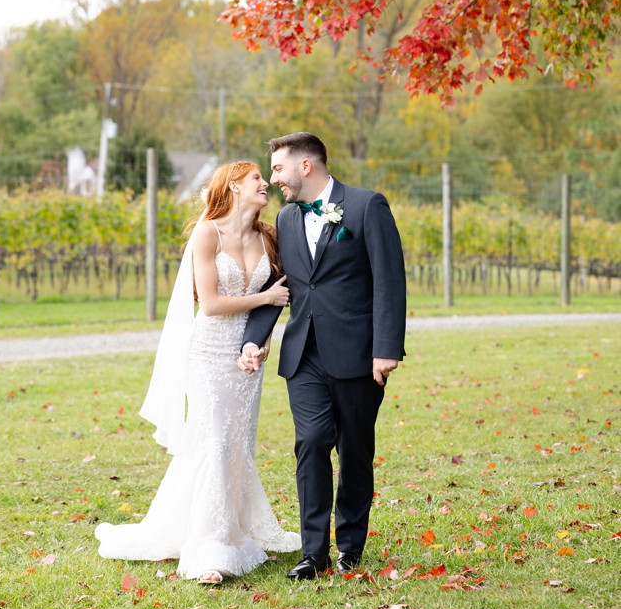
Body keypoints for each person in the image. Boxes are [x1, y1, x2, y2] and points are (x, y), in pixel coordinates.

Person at [95, 161, 301, 582]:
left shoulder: (270, 236)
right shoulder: (208, 233)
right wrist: (265, 299)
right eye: (257, 179)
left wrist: (257, 346)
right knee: (216, 441)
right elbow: (209, 303)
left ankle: (231, 526)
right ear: (234, 187)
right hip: (208, 351)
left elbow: (277, 301)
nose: (266, 184)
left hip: (246, 358)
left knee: (239, 443)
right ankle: (209, 548)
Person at [239, 132, 407, 579]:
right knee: (311, 443)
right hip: (304, 355)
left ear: (306, 166)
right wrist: (253, 339)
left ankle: (350, 545)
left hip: (358, 354)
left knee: (355, 452)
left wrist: (385, 349)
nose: (273, 179)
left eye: (277, 169)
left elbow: (389, 280)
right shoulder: (288, 219)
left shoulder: (367, 206)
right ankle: (313, 554)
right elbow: (282, 285)